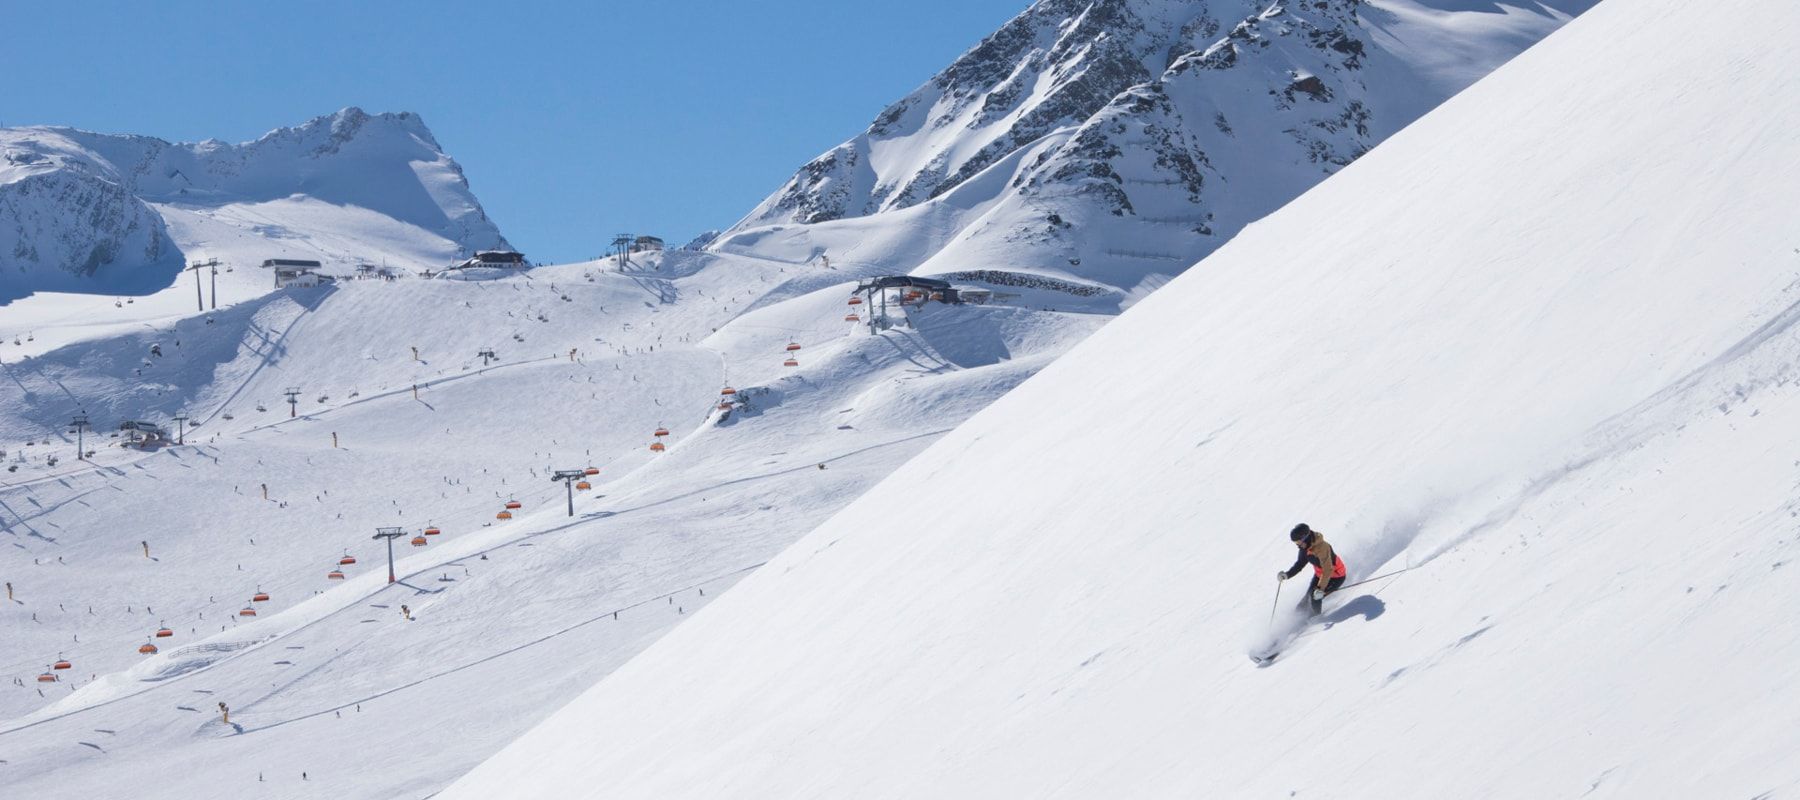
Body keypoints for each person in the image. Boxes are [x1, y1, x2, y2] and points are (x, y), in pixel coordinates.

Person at [1278, 523, 1346, 616]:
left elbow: (1328, 570)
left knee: (1315, 597)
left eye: (1298, 542)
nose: (1297, 545)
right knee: (1305, 602)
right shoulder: (1304, 548)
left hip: (1335, 576)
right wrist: (1287, 575)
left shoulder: (1322, 547)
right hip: (1319, 575)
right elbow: (1300, 564)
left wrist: (1320, 589)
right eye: (1296, 543)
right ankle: (1295, 622)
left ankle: (1316, 620)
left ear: (1304, 538)